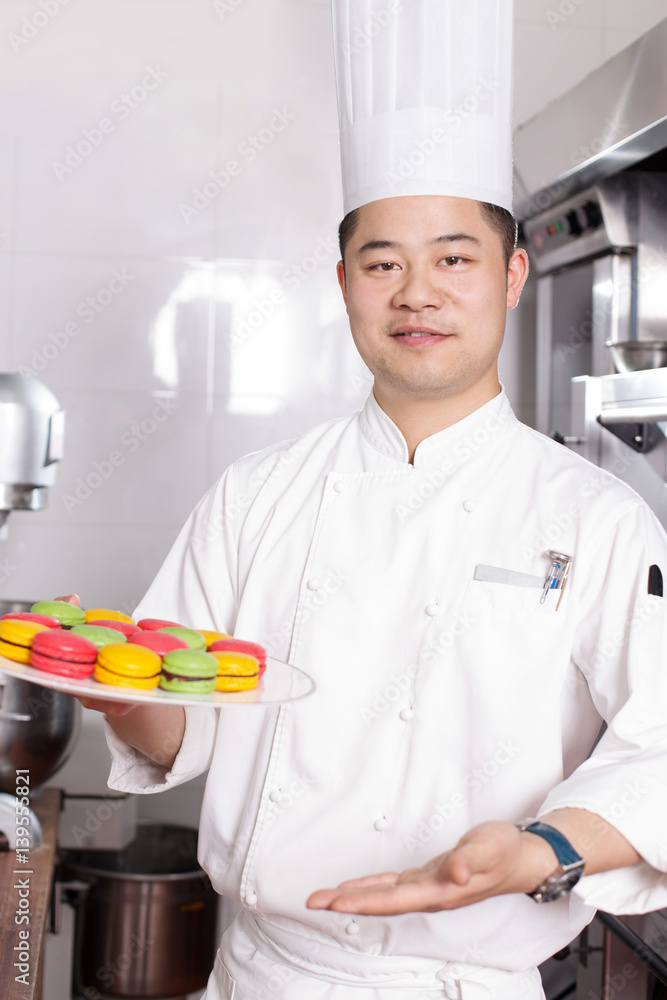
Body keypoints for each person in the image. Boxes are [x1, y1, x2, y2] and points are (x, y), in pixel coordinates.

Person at [68, 190, 667, 1000]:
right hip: (260, 977)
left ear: (513, 274)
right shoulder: (256, 495)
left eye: (453, 259)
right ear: (344, 282)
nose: (416, 293)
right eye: (383, 264)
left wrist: (539, 851)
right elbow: (180, 723)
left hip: (459, 985)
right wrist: (110, 688)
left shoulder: (595, 517)